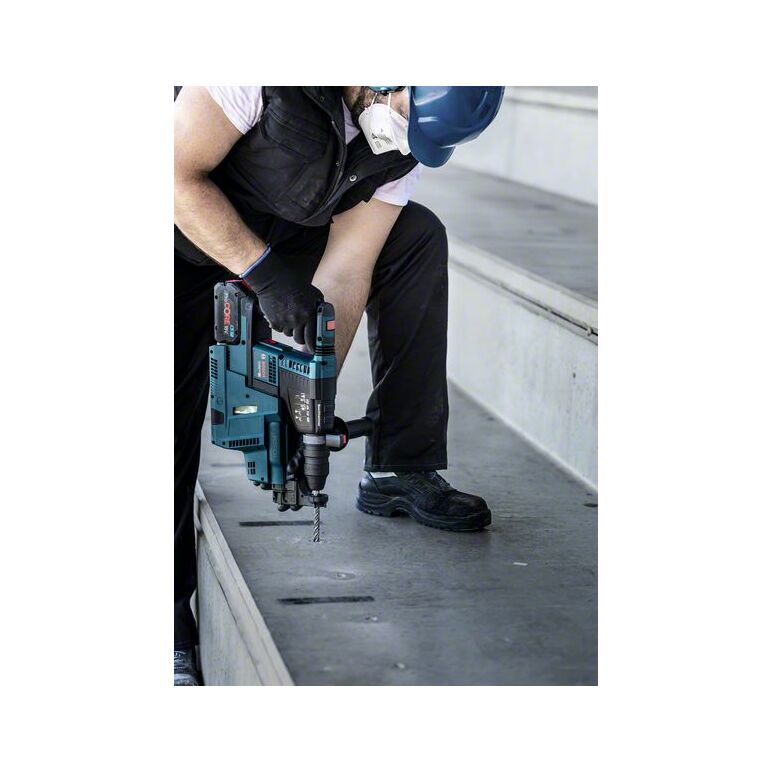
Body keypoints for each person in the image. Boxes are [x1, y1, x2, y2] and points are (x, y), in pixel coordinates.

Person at [174, 85, 504, 685]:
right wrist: (263, 276)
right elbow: (173, 177)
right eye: (404, 117)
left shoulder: (400, 151)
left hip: (281, 236)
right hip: (181, 227)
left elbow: (348, 269)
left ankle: (398, 468)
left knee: (415, 236)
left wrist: (309, 393)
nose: (400, 140)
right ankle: (167, 616)